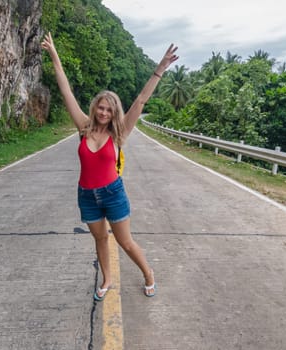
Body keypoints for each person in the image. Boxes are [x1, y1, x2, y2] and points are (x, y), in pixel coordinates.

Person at [41, 32, 179, 300]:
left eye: (109, 110)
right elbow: (66, 90)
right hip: (87, 195)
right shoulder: (83, 127)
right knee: (100, 239)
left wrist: (159, 69)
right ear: (95, 108)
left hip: (113, 193)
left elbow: (140, 101)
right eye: (100, 108)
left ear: (114, 112)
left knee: (124, 242)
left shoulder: (119, 133)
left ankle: (148, 273)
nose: (104, 113)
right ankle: (107, 279)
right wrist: (54, 54)